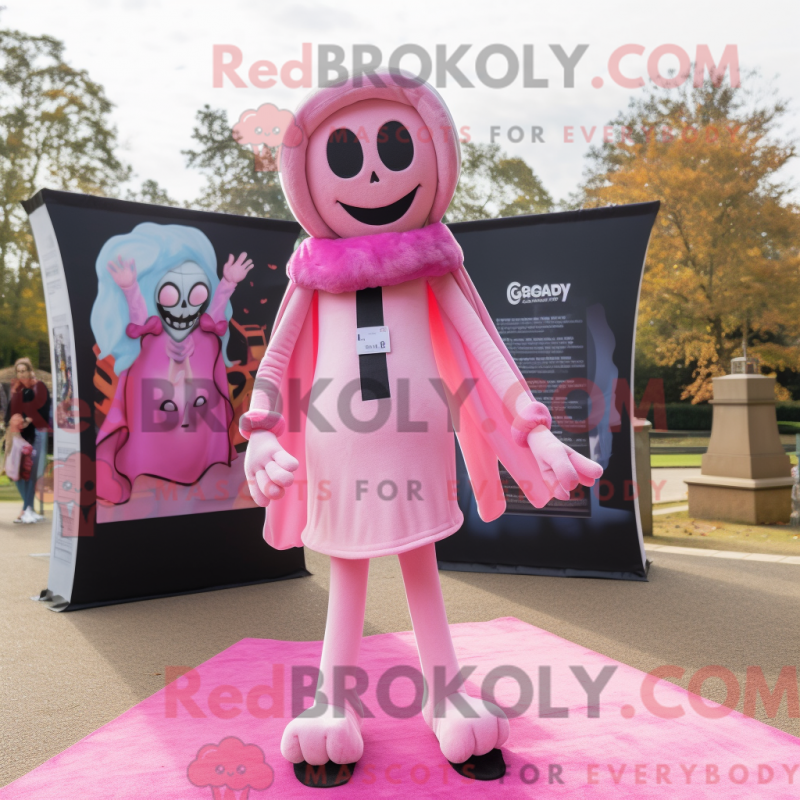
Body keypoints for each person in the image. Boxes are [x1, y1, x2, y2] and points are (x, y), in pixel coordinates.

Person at [5, 358, 50, 523]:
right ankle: (28, 508)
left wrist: (28, 419)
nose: (21, 374)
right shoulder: (17, 390)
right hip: (18, 437)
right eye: (19, 371)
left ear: (31, 371)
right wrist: (13, 421)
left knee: (30, 474)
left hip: (36, 435)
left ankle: (27, 510)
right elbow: (9, 413)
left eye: (24, 370)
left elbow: (44, 409)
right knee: (15, 473)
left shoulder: (39, 387)